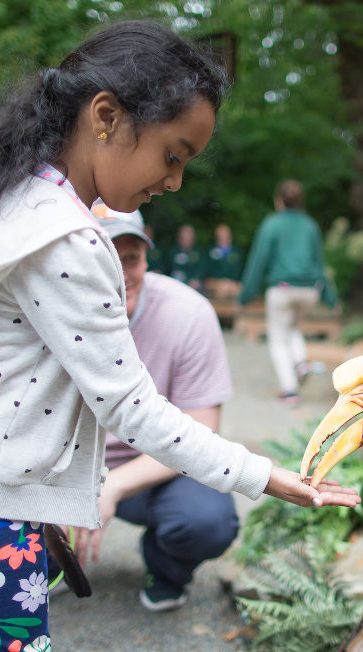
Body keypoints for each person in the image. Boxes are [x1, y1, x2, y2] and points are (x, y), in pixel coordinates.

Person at [0, 21, 359, 652]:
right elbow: (133, 408)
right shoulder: (69, 241)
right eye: (173, 154)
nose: (176, 180)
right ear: (106, 115)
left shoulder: (5, 198)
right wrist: (265, 474)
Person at [79, 203, 239, 612]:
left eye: (130, 258)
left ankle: (166, 566)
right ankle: (50, 561)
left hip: (157, 468)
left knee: (208, 518)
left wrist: (112, 485)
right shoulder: (47, 310)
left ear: (146, 257)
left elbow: (202, 430)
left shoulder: (189, 313)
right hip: (67, 464)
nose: (119, 274)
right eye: (104, 260)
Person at [238, 179, 337, 406]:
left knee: (278, 338)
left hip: (282, 290)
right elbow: (320, 264)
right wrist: (331, 298)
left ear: (279, 201)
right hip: (309, 291)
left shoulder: (272, 224)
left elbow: (258, 261)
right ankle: (300, 363)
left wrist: (245, 295)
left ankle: (290, 390)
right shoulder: (310, 225)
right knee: (292, 328)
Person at [203, 223, 244, 301]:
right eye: (220, 236)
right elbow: (206, 276)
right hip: (215, 284)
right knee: (222, 290)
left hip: (233, 285)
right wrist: (220, 283)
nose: (223, 237)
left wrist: (231, 283)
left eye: (225, 234)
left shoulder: (237, 252)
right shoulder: (210, 251)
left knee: (238, 289)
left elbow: (241, 274)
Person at [169, 223, 205, 291]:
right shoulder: (172, 252)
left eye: (189, 237)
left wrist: (195, 279)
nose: (186, 240)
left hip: (195, 285)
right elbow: (171, 269)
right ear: (179, 238)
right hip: (177, 284)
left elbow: (201, 269)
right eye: (184, 237)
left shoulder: (199, 252)